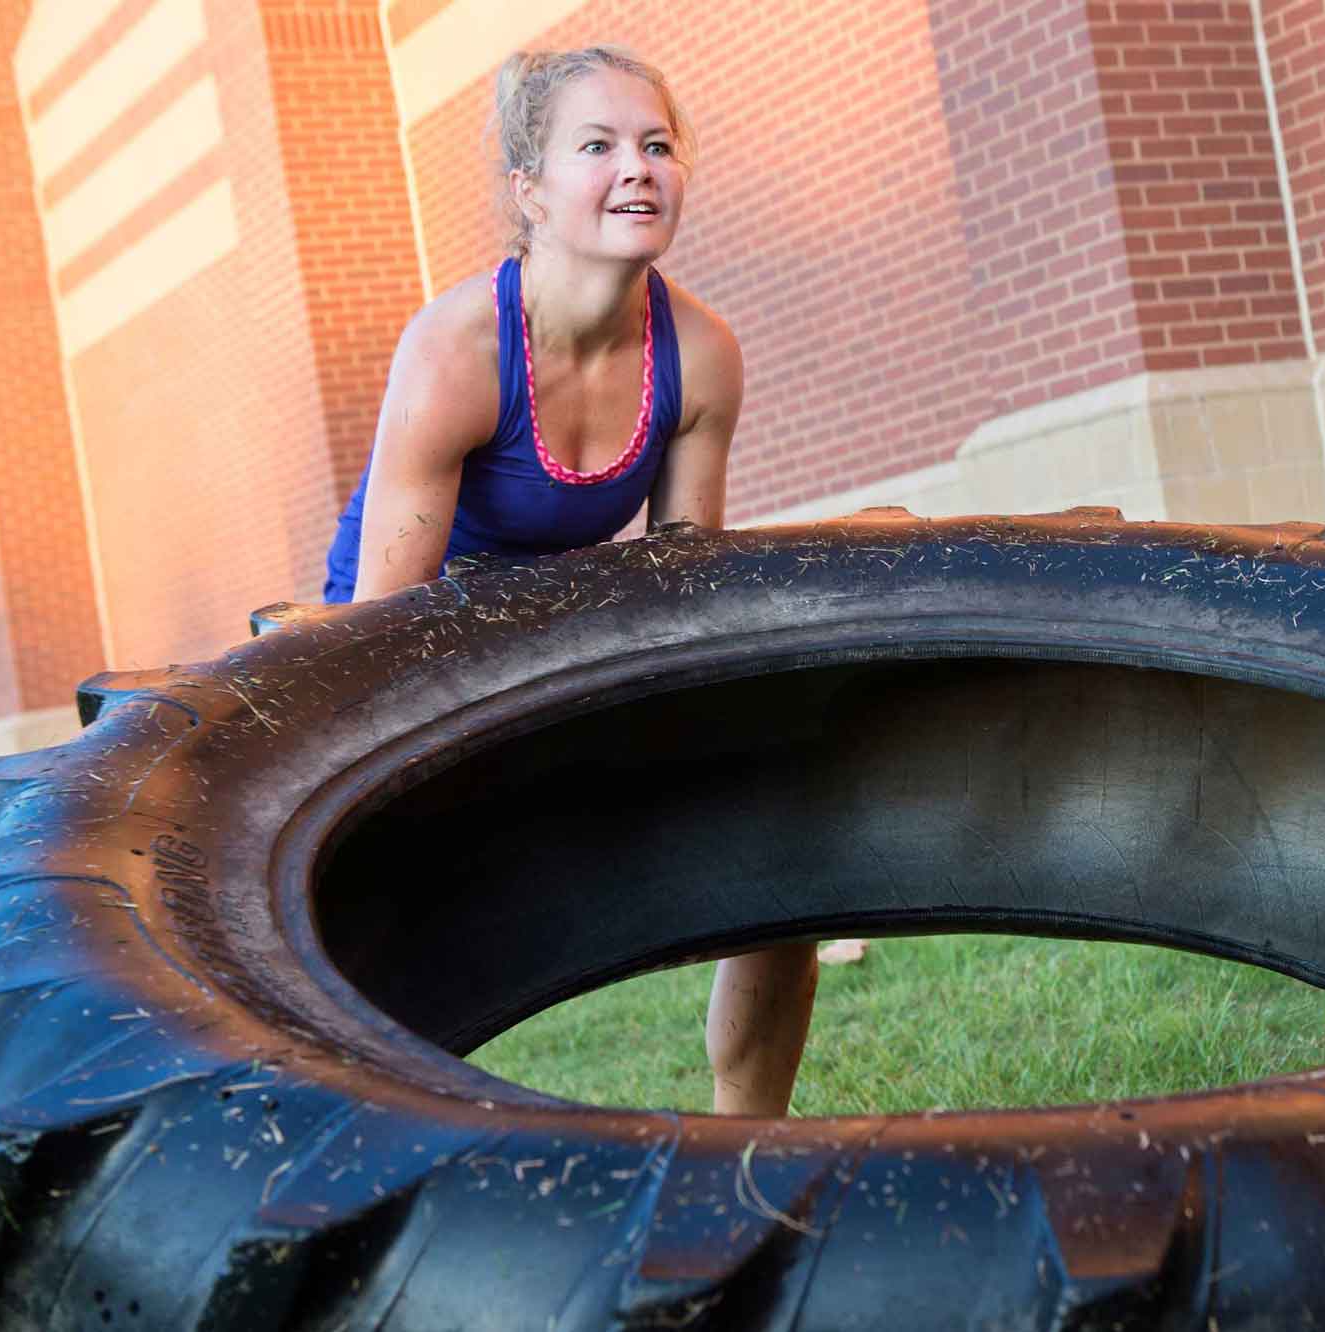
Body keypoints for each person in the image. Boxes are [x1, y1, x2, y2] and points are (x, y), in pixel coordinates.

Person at [321, 45, 819, 1116]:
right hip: (416, 643)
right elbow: (376, 637)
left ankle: (748, 1154)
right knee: (391, 918)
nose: (635, 168)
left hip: (566, 639)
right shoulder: (456, 350)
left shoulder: (700, 353)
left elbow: (682, 594)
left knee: (783, 856)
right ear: (529, 194)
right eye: (595, 146)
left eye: (655, 144)